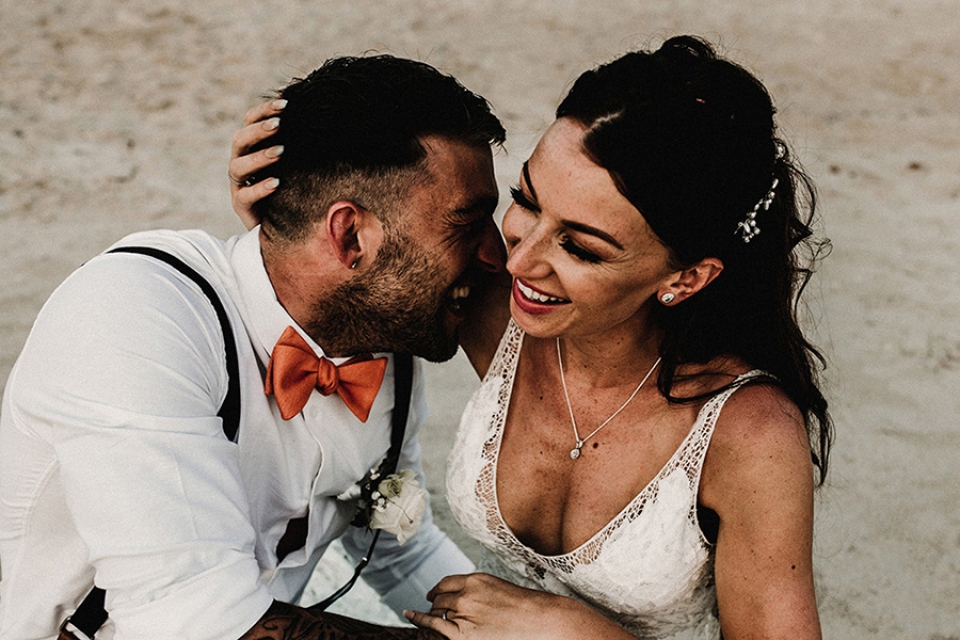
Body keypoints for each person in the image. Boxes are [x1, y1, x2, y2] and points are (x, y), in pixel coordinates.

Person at [232, 36, 832, 639]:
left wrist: (587, 636)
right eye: (526, 200)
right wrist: (289, 208)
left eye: (581, 247)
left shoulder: (749, 435)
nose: (519, 261)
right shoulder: (494, 307)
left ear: (687, 277)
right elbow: (356, 259)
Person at [0, 54, 507, 640]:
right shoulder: (132, 313)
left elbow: (398, 550)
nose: (499, 255)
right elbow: (198, 624)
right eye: (469, 224)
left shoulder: (388, 339)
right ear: (349, 235)